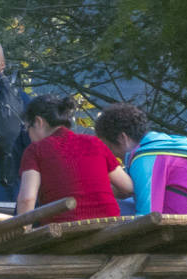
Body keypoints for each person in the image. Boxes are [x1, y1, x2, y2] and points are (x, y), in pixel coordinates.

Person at [14, 94, 130, 222]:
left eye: (27, 128)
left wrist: (23, 231)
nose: (28, 135)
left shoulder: (35, 150)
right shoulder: (95, 143)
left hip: (66, 230)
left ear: (38, 122)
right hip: (110, 225)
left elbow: (27, 199)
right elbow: (128, 188)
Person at [92, 103, 187, 218]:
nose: (111, 154)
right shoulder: (162, 146)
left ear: (122, 138)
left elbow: (147, 216)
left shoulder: (146, 158)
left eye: (108, 147)